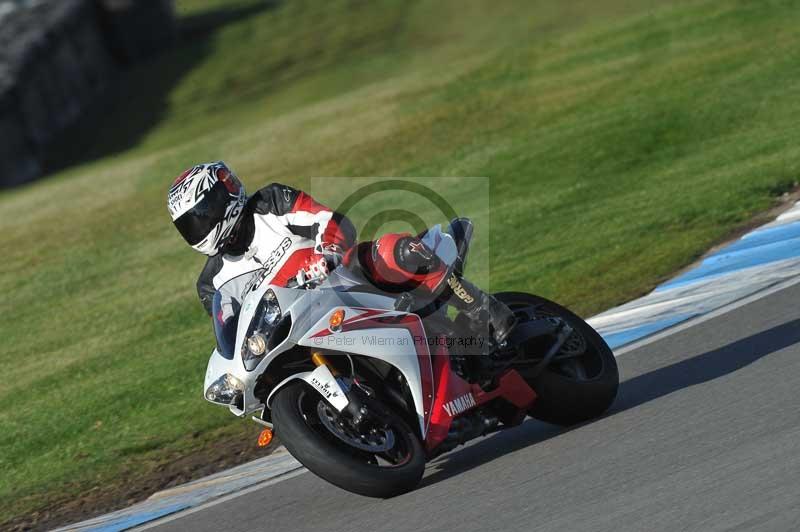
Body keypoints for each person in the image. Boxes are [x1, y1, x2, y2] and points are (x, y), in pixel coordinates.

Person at [167, 161, 515, 344]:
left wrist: (329, 253)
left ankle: (486, 310)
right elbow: (236, 331)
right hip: (301, 327)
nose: (198, 229)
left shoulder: (270, 203)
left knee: (398, 249)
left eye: (201, 216)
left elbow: (328, 220)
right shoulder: (211, 283)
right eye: (189, 225)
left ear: (222, 196)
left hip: (346, 279)